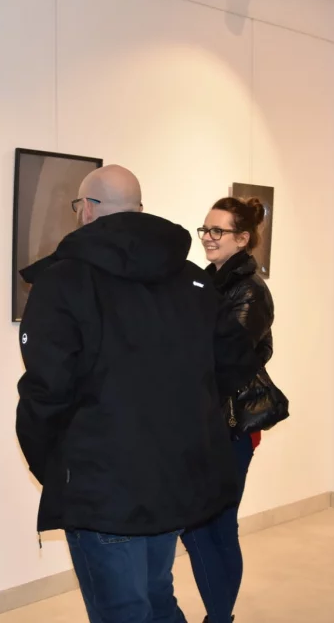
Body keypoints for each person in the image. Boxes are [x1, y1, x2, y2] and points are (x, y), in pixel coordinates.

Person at [15, 165, 259, 623]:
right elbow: (233, 361)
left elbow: (46, 389)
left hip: (101, 482)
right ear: (140, 210)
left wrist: (55, 465)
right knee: (156, 597)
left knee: (126, 610)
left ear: (86, 210)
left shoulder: (64, 282)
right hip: (172, 475)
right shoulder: (192, 279)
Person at [181, 197, 279, 623]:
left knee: (206, 525)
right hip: (206, 421)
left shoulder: (250, 290)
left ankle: (218, 618)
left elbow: (224, 357)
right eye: (205, 229)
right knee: (215, 526)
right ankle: (220, 618)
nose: (207, 238)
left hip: (230, 426)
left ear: (243, 239)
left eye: (217, 231)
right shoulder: (209, 282)